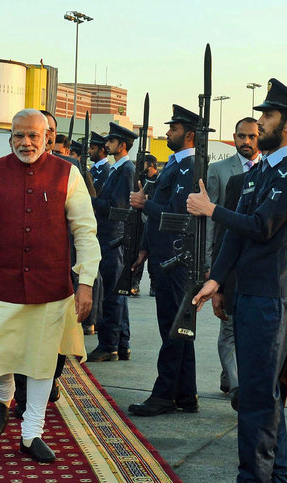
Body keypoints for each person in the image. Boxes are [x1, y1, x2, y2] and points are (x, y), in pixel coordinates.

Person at [0, 109, 100, 462]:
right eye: (19, 136)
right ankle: (3, 394)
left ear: (47, 137)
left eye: (34, 136)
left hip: (50, 286)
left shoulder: (69, 174)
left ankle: (31, 433)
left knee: (41, 364)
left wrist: (86, 282)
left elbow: (85, 231)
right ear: (10, 139)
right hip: (2, 281)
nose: (26, 142)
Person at [190, 78, 287, 482]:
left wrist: (211, 209)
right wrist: (216, 279)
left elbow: (262, 225)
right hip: (248, 294)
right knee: (261, 394)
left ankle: (255, 477)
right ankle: (276, 473)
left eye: (268, 115)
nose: (261, 121)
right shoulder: (260, 171)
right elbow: (236, 233)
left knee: (259, 398)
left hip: (271, 298)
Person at [128, 105, 198, 416]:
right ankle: (185, 393)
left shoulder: (191, 167)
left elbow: (177, 215)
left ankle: (165, 394)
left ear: (190, 135)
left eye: (175, 128)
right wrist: (145, 247)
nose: (168, 132)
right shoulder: (173, 165)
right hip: (163, 255)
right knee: (178, 327)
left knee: (173, 328)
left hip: (176, 258)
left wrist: (145, 205)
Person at [205, 117, 260, 400]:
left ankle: (231, 378)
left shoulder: (270, 171)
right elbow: (215, 225)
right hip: (231, 264)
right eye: (241, 136)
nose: (246, 141)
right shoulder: (219, 170)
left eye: (252, 136)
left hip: (261, 267)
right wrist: (212, 270)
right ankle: (238, 386)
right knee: (228, 326)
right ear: (234, 137)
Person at [87, 123, 136, 362]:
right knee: (117, 292)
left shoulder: (125, 169)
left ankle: (109, 345)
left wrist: (91, 201)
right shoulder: (118, 169)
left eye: (111, 141)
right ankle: (122, 342)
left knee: (113, 295)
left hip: (114, 237)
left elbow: (118, 208)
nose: (107, 145)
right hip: (109, 236)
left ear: (122, 145)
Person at [131, 154, 159, 297]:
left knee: (152, 255)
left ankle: (154, 284)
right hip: (140, 221)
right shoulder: (140, 180)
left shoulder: (158, 180)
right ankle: (135, 282)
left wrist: (147, 200)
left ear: (150, 165)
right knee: (139, 253)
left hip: (153, 220)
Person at [88, 131, 110, 196]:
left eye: (92, 148)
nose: (88, 151)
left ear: (101, 150)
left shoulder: (105, 170)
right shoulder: (94, 168)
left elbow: (95, 193)